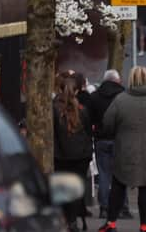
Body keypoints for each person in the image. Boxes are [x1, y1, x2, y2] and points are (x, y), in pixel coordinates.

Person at [98, 66, 146, 232]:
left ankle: (111, 223)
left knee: (118, 186)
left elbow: (107, 123)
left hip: (125, 150)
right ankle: (144, 225)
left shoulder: (120, 100)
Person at [89, 70, 131, 220]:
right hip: (120, 139)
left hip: (101, 140)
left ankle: (104, 208)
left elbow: (90, 118)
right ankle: (123, 207)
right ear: (118, 81)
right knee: (121, 175)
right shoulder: (124, 96)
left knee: (104, 176)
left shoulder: (94, 96)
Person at [53, 76, 93, 232]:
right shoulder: (82, 110)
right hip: (80, 156)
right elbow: (89, 131)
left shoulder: (54, 109)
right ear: (76, 91)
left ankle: (66, 220)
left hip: (61, 156)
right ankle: (73, 220)